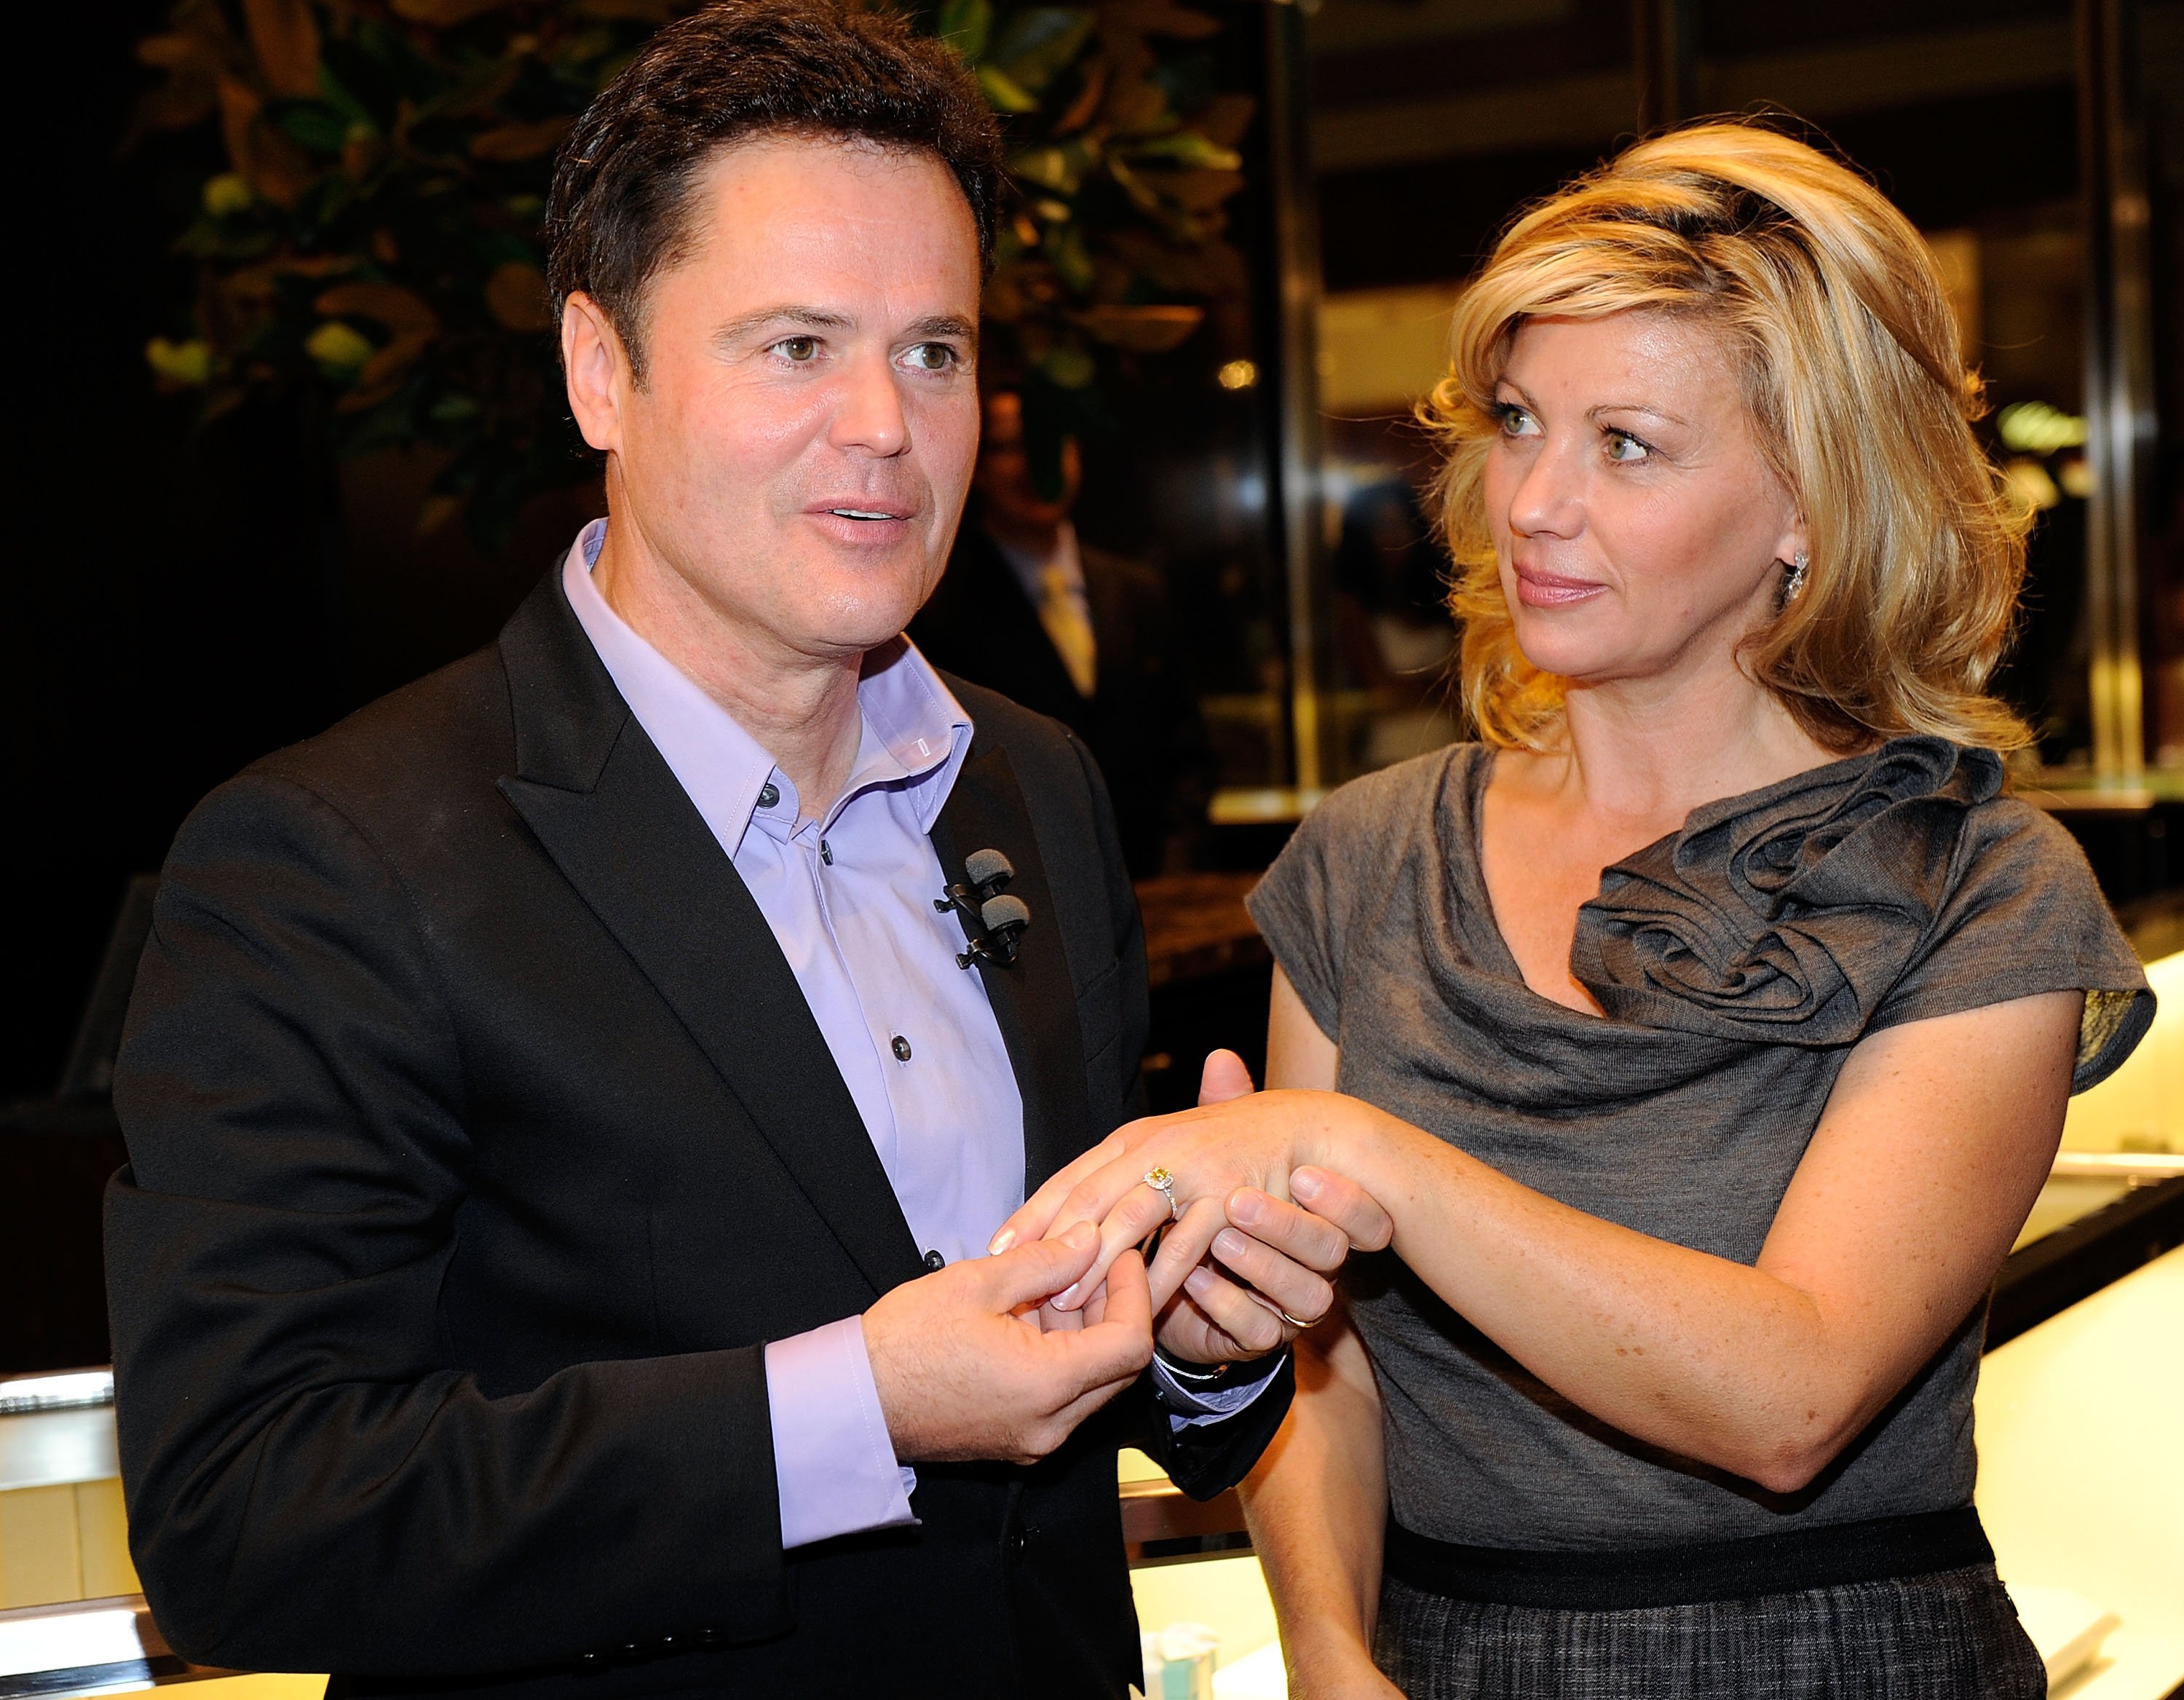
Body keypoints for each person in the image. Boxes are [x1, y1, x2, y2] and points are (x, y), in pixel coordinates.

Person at [101, 7, 1388, 1699]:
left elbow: (1061, 1388)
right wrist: (850, 1406)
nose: (885, 424)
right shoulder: (330, 860)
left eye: (935, 351)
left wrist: (1206, 1339)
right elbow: (245, 1522)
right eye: (795, 346)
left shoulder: (1029, 784)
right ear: (597, 368)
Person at [993, 122, 2156, 1698]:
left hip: (1838, 1657)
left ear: (1810, 504)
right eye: (1523, 422)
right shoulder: (1371, 859)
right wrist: (1333, 1646)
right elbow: (1320, 1357)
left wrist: (1361, 1154)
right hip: (1437, 1650)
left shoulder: (1979, 884)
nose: (1533, 501)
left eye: (1629, 445)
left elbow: (1793, 1393)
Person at [911, 388, 1215, 877]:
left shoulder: (1137, 590)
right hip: (1022, 892)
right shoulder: (937, 607)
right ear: (978, 465)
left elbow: (1187, 754)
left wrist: (1173, 872)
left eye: (1053, 442)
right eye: (1011, 447)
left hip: (1153, 887)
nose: (1037, 464)